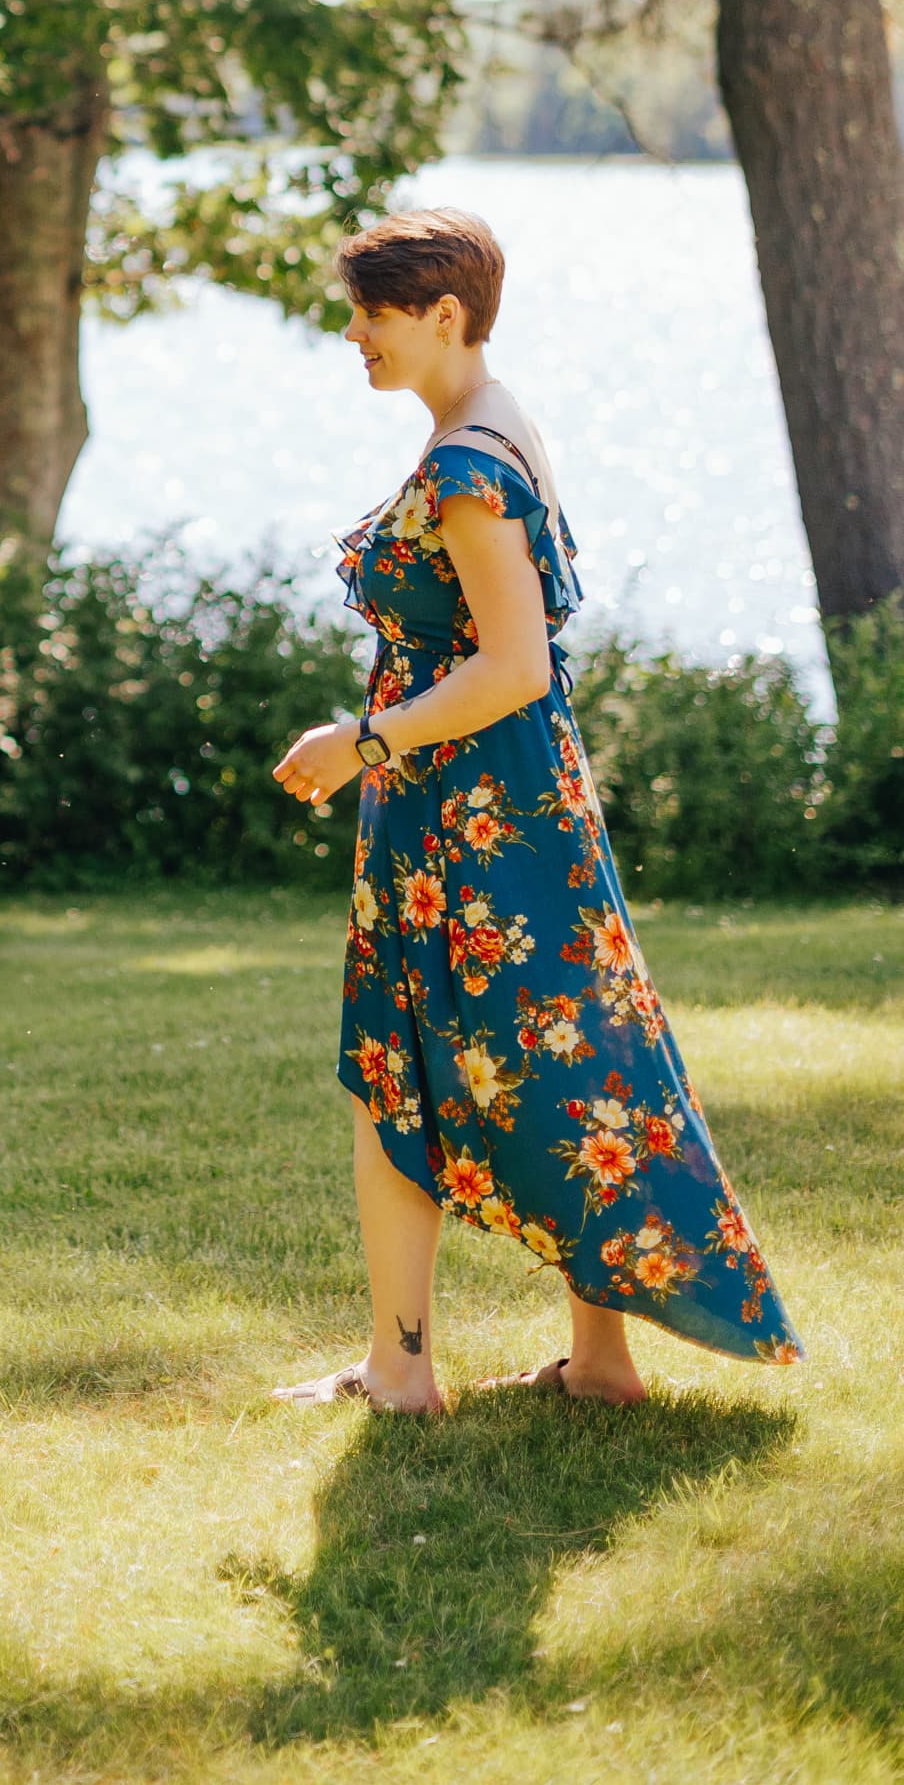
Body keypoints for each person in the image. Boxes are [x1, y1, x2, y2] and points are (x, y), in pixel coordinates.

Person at [271, 204, 799, 1414]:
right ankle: (599, 1361)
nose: (352, 335)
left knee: (403, 1064)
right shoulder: (496, 420)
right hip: (512, 797)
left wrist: (363, 740)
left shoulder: (465, 466)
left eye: (370, 314)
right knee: (571, 1057)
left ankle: (400, 1371)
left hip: (466, 807)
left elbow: (508, 663)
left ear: (441, 315)